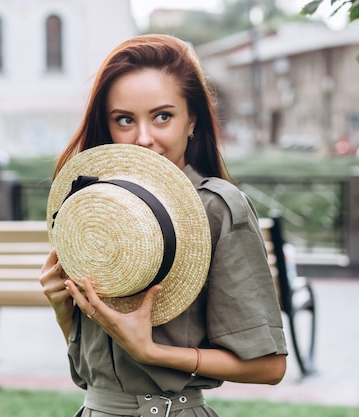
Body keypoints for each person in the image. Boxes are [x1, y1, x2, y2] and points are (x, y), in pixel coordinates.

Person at [39, 34, 287, 417]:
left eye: (162, 116)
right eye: (124, 120)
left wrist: (152, 352)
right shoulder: (90, 208)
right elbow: (93, 374)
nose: (143, 138)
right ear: (107, 128)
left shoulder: (216, 207)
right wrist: (63, 311)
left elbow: (269, 367)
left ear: (192, 122)